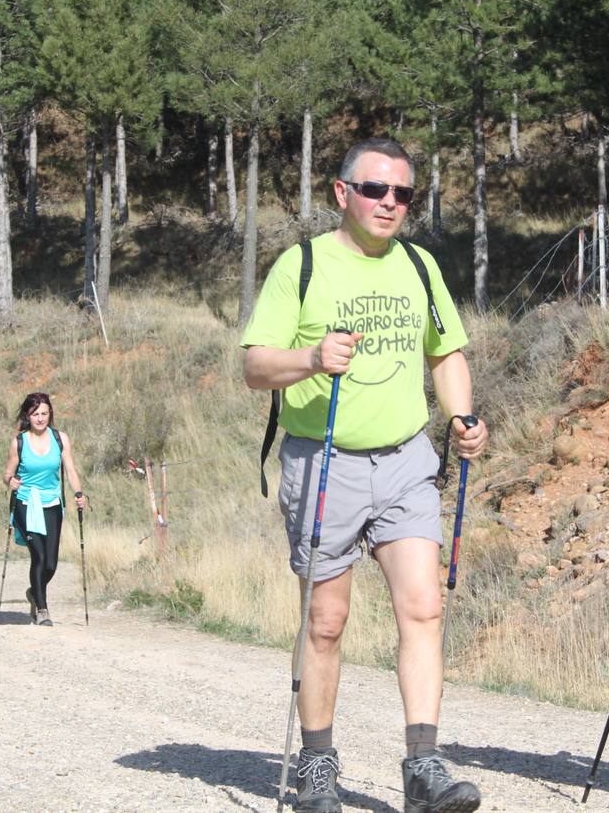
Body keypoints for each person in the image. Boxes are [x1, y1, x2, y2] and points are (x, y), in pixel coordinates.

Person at [242, 137, 488, 813]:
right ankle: (318, 766)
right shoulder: (303, 265)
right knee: (326, 619)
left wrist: (463, 418)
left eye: (403, 193)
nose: (390, 204)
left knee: (424, 606)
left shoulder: (418, 265)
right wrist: (312, 357)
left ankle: (424, 767)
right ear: (341, 193)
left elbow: (447, 354)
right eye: (376, 190)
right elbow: (255, 366)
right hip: (322, 461)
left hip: (406, 459)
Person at [3, 392, 87, 627]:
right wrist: (10, 481)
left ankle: (33, 592)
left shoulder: (60, 439)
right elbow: (7, 473)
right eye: (35, 414)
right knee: (38, 556)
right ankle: (42, 609)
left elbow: (70, 470)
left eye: (44, 413)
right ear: (27, 416)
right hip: (26, 503)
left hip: (51, 503)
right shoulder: (19, 442)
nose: (40, 418)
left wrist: (79, 494)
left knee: (51, 563)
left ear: (50, 414)